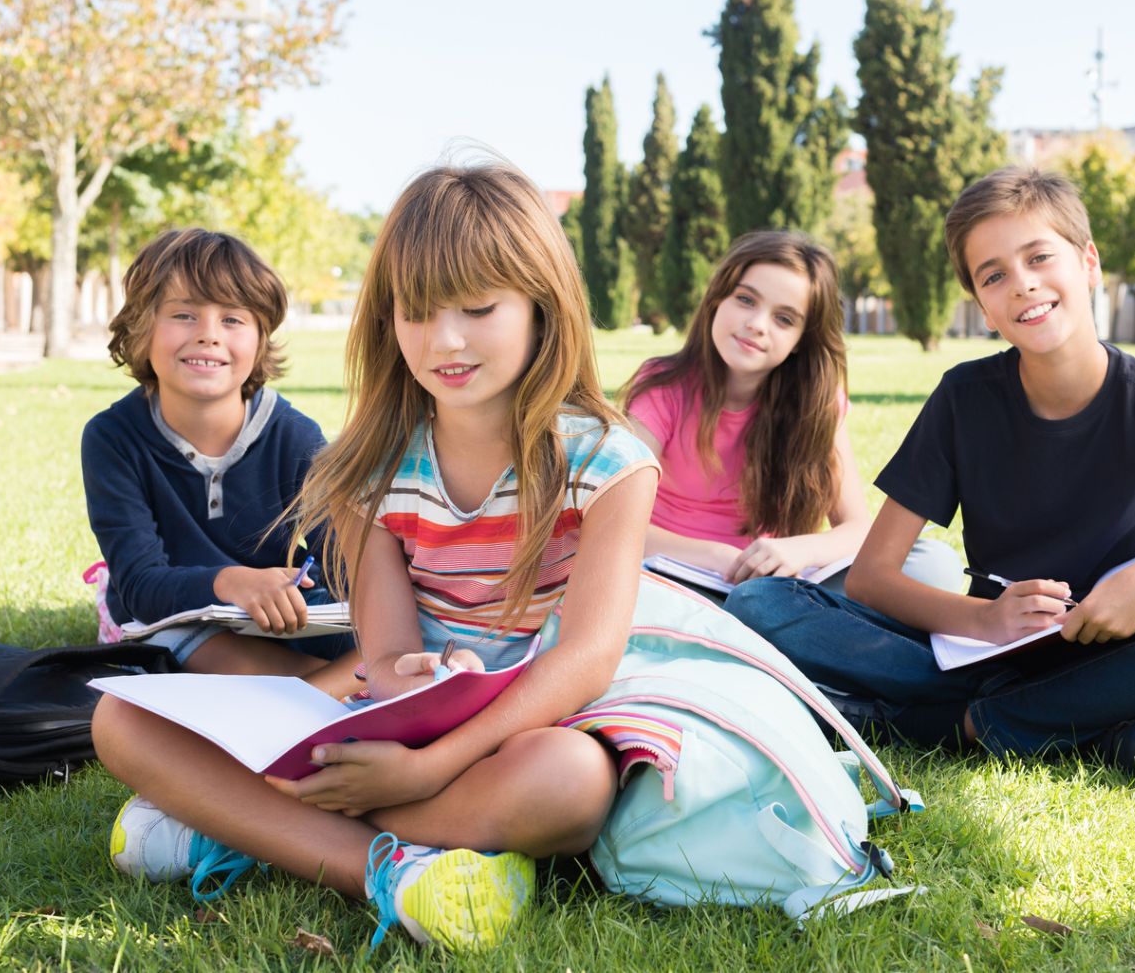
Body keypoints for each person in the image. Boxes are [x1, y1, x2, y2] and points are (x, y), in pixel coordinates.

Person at [92, 162, 660, 951]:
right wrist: (402, 687)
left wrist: (431, 768)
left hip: (527, 724)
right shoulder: (365, 470)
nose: (446, 340)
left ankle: (244, 828)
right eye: (417, 312)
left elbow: (588, 660)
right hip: (398, 717)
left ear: (543, 305)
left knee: (571, 784)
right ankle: (391, 870)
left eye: (479, 307)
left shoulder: (609, 461)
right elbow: (387, 652)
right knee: (123, 721)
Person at [726, 166, 1135, 782]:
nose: (1023, 285)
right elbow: (873, 577)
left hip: (1121, 659)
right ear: (981, 305)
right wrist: (985, 619)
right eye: (995, 275)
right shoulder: (963, 399)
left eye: (1040, 257)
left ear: (1089, 262)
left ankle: (953, 726)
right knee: (760, 603)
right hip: (985, 653)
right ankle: (1089, 730)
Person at [81, 228, 355, 683]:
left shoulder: (295, 437)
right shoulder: (112, 439)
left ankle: (329, 685)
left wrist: (302, 592)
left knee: (382, 629)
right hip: (172, 618)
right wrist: (230, 582)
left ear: (261, 339)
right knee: (172, 644)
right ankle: (330, 691)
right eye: (184, 315)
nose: (208, 336)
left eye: (232, 319)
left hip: (276, 617)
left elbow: (341, 567)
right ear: (143, 327)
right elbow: (141, 585)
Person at [622, 231, 960, 593]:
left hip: (775, 587)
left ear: (802, 340)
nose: (757, 324)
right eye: (746, 300)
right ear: (717, 299)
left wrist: (799, 549)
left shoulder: (815, 402)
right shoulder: (662, 386)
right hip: (671, 578)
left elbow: (858, 529)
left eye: (784, 319)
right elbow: (612, 521)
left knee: (933, 565)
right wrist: (721, 558)